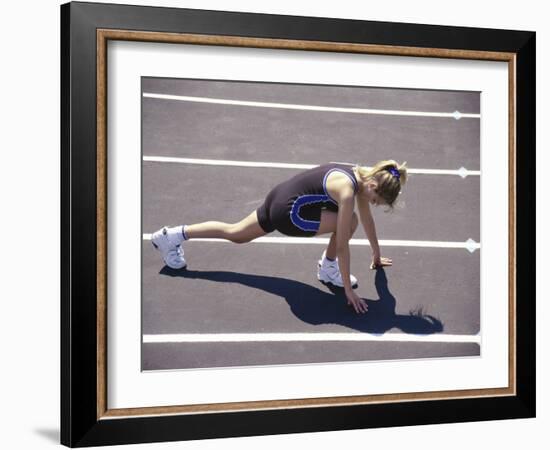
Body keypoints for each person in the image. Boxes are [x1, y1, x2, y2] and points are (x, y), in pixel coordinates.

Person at [151, 160, 408, 314]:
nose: (373, 204)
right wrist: (348, 291)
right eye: (376, 200)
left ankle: (173, 235)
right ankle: (327, 270)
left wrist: (375, 254)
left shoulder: (358, 174)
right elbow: (343, 242)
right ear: (373, 186)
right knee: (347, 221)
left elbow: (368, 220)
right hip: (290, 213)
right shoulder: (348, 191)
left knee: (236, 233)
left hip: (280, 196)